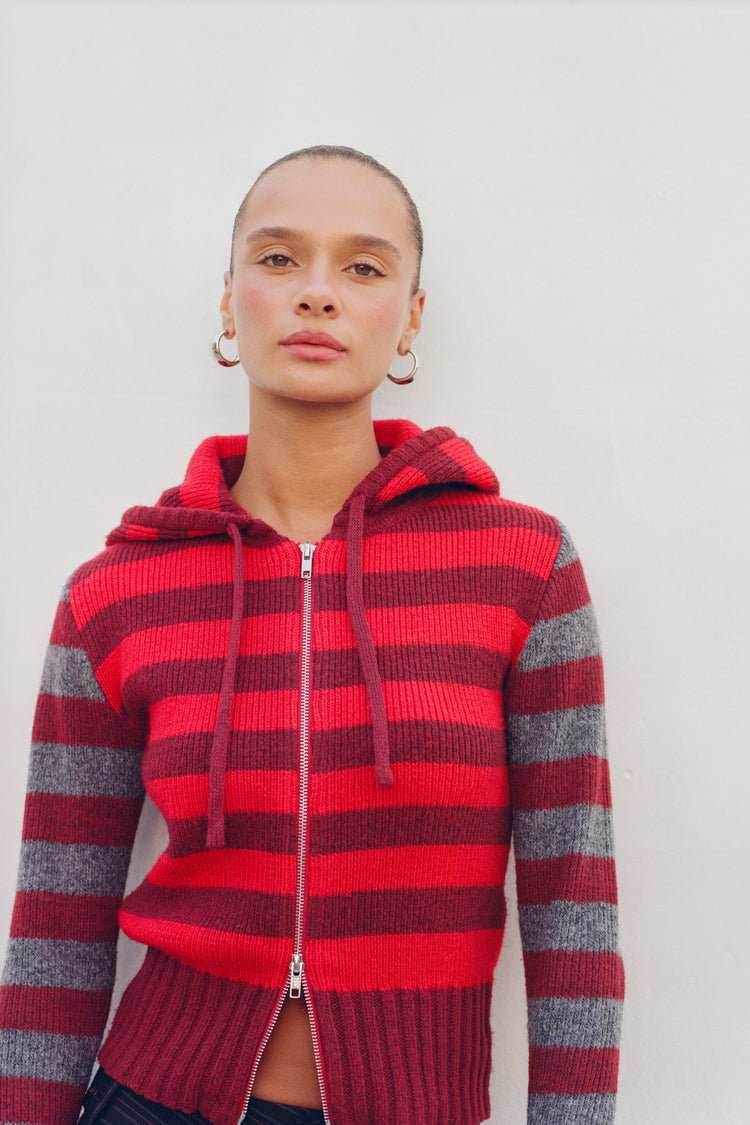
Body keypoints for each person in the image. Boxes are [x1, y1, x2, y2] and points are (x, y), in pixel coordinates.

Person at [0, 145, 624, 1125]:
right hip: (153, 1098)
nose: (317, 292)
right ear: (229, 299)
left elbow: (574, 904)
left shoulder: (523, 566)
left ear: (410, 317)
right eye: (279, 257)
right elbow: (56, 920)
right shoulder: (117, 592)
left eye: (364, 266)